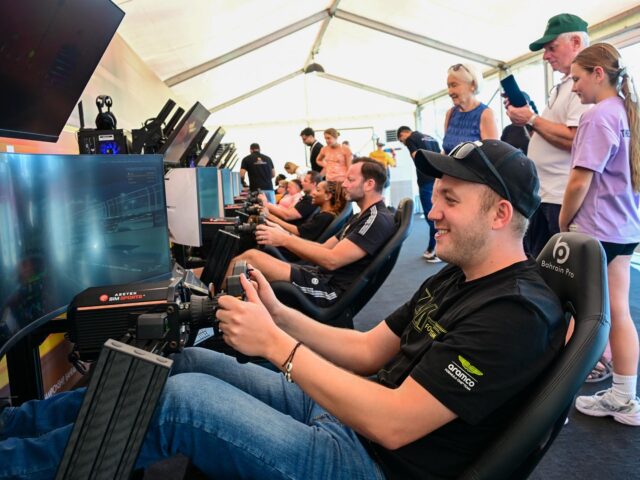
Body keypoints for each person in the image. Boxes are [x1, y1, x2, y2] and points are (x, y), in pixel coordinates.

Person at [0, 141, 567, 480]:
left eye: (450, 200)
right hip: (350, 415)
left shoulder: (516, 313)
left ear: (500, 215)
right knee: (179, 364)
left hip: (370, 462)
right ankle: (13, 427)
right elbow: (367, 349)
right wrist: (278, 315)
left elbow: (394, 426)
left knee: (177, 406)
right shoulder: (459, 276)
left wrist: (276, 347)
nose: (433, 211)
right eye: (435, 195)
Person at [558, 43, 640, 425]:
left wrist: (564, 221)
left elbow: (580, 181)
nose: (573, 87)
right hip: (623, 229)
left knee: (578, 311)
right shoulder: (627, 111)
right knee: (617, 311)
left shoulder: (597, 116)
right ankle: (623, 397)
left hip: (597, 230)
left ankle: (556, 396)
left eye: (576, 78)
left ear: (598, 73)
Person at [228, 158, 395, 308]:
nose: (344, 184)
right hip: (320, 276)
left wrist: (285, 239)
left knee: (252, 259)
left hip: (330, 290)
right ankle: (214, 294)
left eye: (350, 180)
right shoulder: (361, 216)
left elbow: (332, 260)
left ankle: (213, 293)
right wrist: (285, 236)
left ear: (369, 184)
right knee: (251, 257)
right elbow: (324, 247)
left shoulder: (376, 219)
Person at [506, 13, 591, 257]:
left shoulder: (582, 87)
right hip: (546, 194)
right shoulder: (564, 85)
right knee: (542, 264)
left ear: (576, 42)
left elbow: (575, 139)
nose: (546, 56)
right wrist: (527, 119)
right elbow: (549, 135)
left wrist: (532, 118)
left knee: (563, 270)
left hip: (562, 197)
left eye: (552, 48)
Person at [396, 125, 442, 262]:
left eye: (402, 141)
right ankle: (433, 247)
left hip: (426, 180)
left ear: (402, 134)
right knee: (439, 214)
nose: (404, 144)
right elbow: (441, 155)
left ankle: (437, 250)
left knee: (432, 216)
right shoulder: (431, 138)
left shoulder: (410, 138)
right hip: (438, 179)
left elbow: (417, 157)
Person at [442, 63, 499, 154]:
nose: (450, 92)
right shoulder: (450, 113)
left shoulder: (486, 114)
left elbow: (493, 154)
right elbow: (446, 151)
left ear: (473, 84)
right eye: (448, 86)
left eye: (454, 85)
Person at [267, 180, 347, 242]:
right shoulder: (324, 214)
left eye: (318, 190)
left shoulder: (325, 217)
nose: (313, 193)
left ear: (328, 196)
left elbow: (298, 232)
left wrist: (270, 217)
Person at [369, 140, 396, 204]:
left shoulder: (372, 154)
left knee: (376, 198)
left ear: (377, 145)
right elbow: (394, 165)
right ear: (383, 146)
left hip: (375, 178)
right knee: (385, 198)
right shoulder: (385, 155)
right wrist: (393, 155)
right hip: (384, 178)